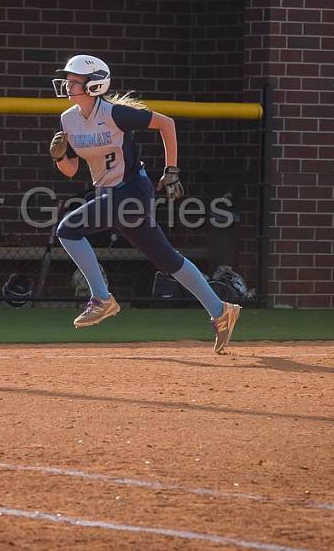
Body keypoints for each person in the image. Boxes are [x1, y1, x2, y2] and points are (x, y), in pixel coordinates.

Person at [49, 54, 241, 353]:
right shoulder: (68, 118)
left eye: (75, 81)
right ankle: (221, 311)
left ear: (95, 85)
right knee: (166, 259)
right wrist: (60, 155)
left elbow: (167, 124)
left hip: (132, 190)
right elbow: (71, 170)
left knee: (68, 230)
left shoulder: (116, 113)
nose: (68, 85)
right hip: (107, 193)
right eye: (68, 80)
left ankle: (102, 298)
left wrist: (172, 171)